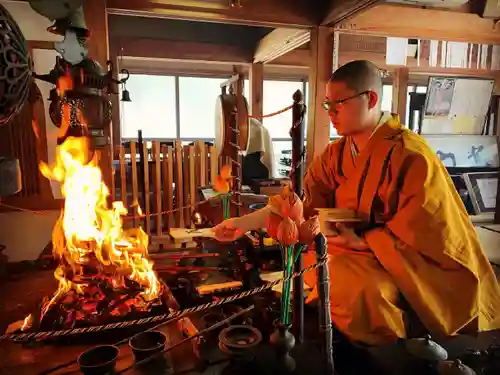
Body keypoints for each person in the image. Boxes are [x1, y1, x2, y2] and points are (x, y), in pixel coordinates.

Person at [212, 60, 500, 346]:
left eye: (340, 103)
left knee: (355, 287)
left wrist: (362, 242)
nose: (332, 113)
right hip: (348, 248)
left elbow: (432, 234)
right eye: (327, 105)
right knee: (304, 261)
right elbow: (299, 202)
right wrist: (242, 223)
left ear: (371, 99)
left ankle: (384, 352)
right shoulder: (336, 154)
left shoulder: (412, 156)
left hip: (399, 262)